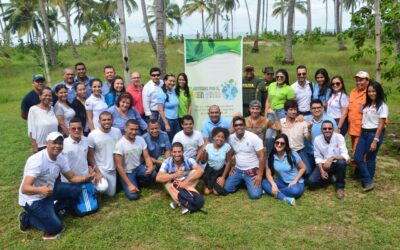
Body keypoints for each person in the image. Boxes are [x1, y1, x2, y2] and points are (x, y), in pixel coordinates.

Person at [18, 132, 94, 240]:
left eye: (60, 143)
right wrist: (40, 190)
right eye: (54, 143)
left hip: (50, 191)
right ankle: (26, 218)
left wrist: (86, 178)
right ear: (47, 143)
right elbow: (25, 189)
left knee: (77, 190)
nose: (57, 146)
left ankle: (52, 210)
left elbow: (71, 178)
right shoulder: (37, 161)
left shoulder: (60, 158)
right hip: (33, 199)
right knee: (56, 227)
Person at [354, 81, 388, 192]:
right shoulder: (367, 104)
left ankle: (368, 181)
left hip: (374, 134)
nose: (371, 93)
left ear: (378, 92)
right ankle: (368, 180)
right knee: (358, 158)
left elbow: (381, 124)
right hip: (364, 133)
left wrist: (375, 140)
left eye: (374, 91)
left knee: (370, 158)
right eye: (369, 91)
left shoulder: (382, 106)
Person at [61, 118, 108, 193]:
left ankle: (92, 190)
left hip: (87, 177)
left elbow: (90, 157)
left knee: (103, 186)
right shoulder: (63, 143)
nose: (76, 130)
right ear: (69, 129)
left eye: (79, 128)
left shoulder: (87, 140)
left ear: (82, 129)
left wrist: (97, 172)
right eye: (73, 128)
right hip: (69, 180)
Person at [156, 142, 204, 214]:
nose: (177, 154)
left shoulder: (189, 160)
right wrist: (175, 175)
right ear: (171, 152)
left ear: (183, 152)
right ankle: (184, 200)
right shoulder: (167, 162)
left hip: (186, 184)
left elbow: (201, 170)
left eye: (179, 152)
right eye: (174, 152)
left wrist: (186, 181)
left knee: (195, 171)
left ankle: (178, 201)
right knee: (165, 180)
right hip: (173, 185)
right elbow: (158, 178)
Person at [224, 116, 265, 199]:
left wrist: (260, 175)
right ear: (233, 127)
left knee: (255, 195)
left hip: (252, 170)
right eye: (236, 125)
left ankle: (250, 182)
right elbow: (229, 153)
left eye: (241, 124)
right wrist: (231, 166)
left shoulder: (253, 137)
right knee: (227, 189)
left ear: (244, 125)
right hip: (238, 170)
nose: (239, 127)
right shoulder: (231, 138)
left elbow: (262, 156)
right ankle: (245, 182)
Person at [114, 119, 156, 200]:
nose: (134, 132)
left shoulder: (140, 139)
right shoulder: (120, 144)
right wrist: (129, 184)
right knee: (134, 196)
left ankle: (138, 183)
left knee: (153, 173)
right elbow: (119, 167)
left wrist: (150, 167)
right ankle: (129, 183)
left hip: (138, 168)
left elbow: (146, 156)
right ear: (125, 128)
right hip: (127, 172)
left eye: (136, 129)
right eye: (131, 129)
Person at [308, 121, 350, 199]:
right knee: (311, 183)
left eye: (329, 128)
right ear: (321, 130)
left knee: (342, 162)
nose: (327, 130)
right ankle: (330, 178)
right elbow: (317, 157)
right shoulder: (317, 139)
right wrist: (321, 170)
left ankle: (340, 187)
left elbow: (345, 155)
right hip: (324, 165)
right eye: (325, 128)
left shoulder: (339, 137)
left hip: (336, 163)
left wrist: (332, 158)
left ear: (333, 129)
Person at [262, 134, 306, 206]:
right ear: (274, 143)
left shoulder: (292, 154)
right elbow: (268, 173)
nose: (279, 145)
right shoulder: (271, 156)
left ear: (286, 145)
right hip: (282, 182)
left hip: (296, 183)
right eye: (277, 142)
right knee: (264, 182)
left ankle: (268, 192)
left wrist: (295, 180)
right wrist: (273, 184)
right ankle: (285, 198)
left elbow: (303, 167)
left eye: (282, 143)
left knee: (295, 191)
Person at [87, 112, 122, 196]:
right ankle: (92, 183)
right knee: (103, 188)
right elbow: (90, 156)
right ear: (99, 121)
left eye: (109, 119)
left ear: (112, 120)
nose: (107, 122)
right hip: (100, 168)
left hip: (112, 169)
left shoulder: (117, 131)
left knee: (111, 194)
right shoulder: (92, 135)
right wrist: (97, 172)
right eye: (104, 120)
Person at [264, 69, 295, 154]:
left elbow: (291, 105)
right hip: (271, 112)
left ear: (285, 77)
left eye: (281, 77)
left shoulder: (289, 89)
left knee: (283, 135)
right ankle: (271, 156)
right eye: (277, 76)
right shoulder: (271, 85)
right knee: (268, 137)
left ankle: (285, 154)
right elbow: (268, 100)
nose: (279, 78)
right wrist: (265, 113)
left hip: (282, 112)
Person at [280, 100, 312, 175]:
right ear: (285, 111)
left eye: (295, 109)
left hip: (300, 150)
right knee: (284, 170)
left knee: (307, 171)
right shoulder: (281, 123)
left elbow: (309, 138)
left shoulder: (302, 122)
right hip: (286, 151)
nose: (293, 112)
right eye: (291, 109)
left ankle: (294, 169)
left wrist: (309, 129)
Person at [200, 127, 232, 195]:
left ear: (224, 139)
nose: (220, 139)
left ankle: (217, 184)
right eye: (218, 136)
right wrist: (203, 153)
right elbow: (203, 161)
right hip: (209, 171)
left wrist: (223, 177)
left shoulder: (227, 147)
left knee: (216, 192)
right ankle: (207, 184)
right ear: (214, 137)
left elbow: (228, 162)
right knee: (206, 192)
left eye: (222, 137)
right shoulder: (208, 146)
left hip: (220, 172)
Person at [28, 87, 58, 153]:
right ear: (40, 96)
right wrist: (34, 145)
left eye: (49, 95)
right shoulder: (33, 109)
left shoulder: (53, 109)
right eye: (45, 95)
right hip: (41, 145)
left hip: (55, 144)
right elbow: (31, 129)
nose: (47, 97)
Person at [348, 71, 370, 155]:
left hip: (363, 129)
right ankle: (357, 167)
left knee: (359, 153)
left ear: (367, 81)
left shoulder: (370, 93)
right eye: (357, 80)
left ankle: (362, 167)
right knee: (355, 150)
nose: (358, 82)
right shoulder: (353, 91)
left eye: (361, 80)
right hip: (352, 128)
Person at [157, 73, 180, 142]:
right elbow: (160, 110)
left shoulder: (173, 91)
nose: (172, 83)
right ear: (165, 81)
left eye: (173, 81)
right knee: (168, 141)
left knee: (177, 140)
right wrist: (166, 124)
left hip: (175, 120)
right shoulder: (161, 93)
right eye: (170, 81)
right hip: (167, 120)